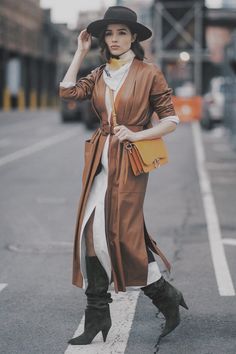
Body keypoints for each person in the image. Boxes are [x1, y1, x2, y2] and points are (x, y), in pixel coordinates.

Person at [59, 5, 188, 351]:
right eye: (109, 34)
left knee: (122, 234)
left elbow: (171, 119)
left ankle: (165, 296)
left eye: (121, 33)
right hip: (98, 162)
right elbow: (68, 91)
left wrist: (136, 134)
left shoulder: (149, 73)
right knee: (90, 231)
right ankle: (98, 314)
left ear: (133, 37)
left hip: (130, 163)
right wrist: (80, 52)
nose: (114, 39)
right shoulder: (100, 73)